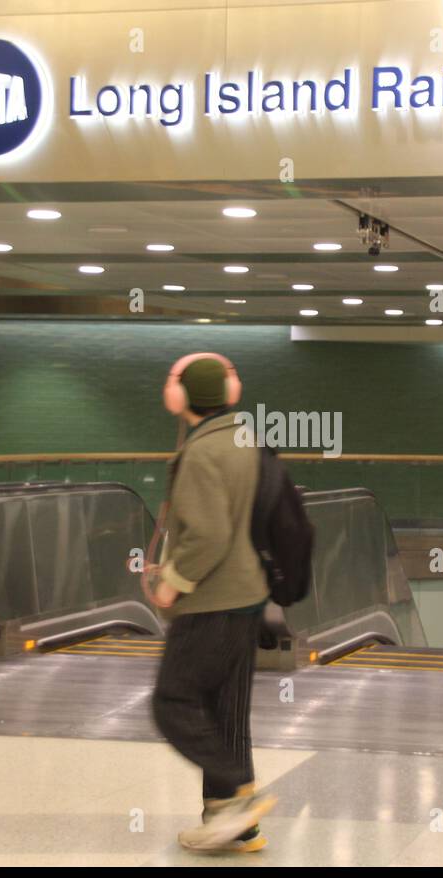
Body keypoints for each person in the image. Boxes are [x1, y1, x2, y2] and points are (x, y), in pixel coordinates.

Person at [147, 352, 277, 852]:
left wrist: (170, 583)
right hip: (248, 595)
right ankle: (236, 825)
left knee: (173, 702)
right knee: (226, 712)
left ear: (183, 397)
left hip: (211, 601)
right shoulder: (248, 439)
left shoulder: (200, 454)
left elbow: (207, 536)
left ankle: (240, 798)